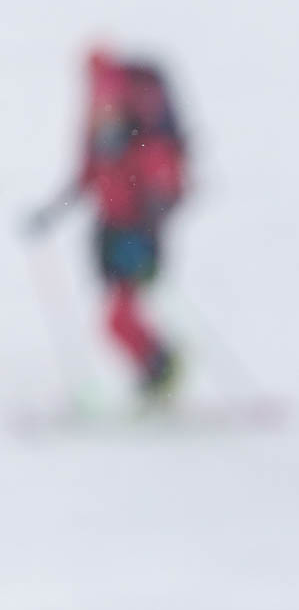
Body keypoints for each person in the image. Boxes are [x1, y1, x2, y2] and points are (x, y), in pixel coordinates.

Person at [26, 49, 187, 395]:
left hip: (136, 237)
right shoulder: (101, 148)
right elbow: (82, 185)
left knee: (117, 318)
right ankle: (159, 373)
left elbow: (163, 185)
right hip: (111, 236)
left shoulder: (143, 144)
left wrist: (148, 224)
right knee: (116, 319)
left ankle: (163, 371)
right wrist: (47, 217)